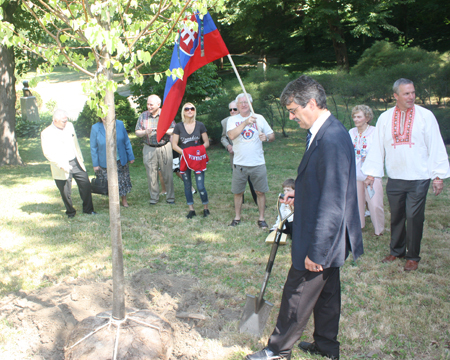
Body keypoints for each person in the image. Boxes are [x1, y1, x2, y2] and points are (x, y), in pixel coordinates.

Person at [246, 76, 363, 360]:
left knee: (297, 293)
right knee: (327, 295)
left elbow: (333, 201)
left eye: (293, 109)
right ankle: (326, 346)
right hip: (327, 235)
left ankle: (277, 350)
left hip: (322, 239)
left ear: (311, 103)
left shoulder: (332, 138)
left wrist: (317, 251)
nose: (291, 116)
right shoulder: (324, 132)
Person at [362, 78, 450, 272]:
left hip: (419, 176)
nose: (411, 97)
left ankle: (412, 256)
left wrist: (437, 176)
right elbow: (377, 147)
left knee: (414, 216)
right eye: (406, 93)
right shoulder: (385, 118)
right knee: (397, 216)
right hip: (395, 176)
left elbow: (435, 144)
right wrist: (371, 173)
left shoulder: (426, 116)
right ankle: (397, 251)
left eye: (413, 93)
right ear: (395, 96)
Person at [226, 93, 275, 229]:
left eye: (246, 102)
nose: (243, 105)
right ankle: (237, 217)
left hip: (257, 162)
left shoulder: (259, 118)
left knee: (260, 192)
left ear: (250, 104)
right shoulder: (232, 120)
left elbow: (272, 135)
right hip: (240, 164)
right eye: (240, 103)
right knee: (238, 192)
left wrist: (267, 137)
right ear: (237, 105)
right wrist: (245, 122)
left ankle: (261, 218)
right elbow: (231, 135)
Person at [41, 109, 96, 218]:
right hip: (61, 165)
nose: (65, 123)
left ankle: (88, 210)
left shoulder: (70, 126)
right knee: (65, 191)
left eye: (66, 120)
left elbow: (75, 143)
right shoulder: (46, 133)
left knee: (85, 184)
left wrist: (79, 157)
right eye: (63, 121)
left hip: (75, 162)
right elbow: (47, 152)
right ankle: (70, 212)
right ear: (55, 120)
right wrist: (61, 165)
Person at [349, 105, 385, 235]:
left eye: (359, 116)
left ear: (367, 118)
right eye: (354, 116)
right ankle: (359, 226)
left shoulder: (375, 132)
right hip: (355, 174)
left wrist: (370, 166)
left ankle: (379, 229)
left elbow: (380, 152)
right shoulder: (351, 132)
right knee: (357, 203)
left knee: (375, 204)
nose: (356, 119)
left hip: (371, 174)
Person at [172, 103, 210, 218]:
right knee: (187, 185)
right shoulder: (178, 126)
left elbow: (206, 142)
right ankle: (191, 209)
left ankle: (205, 208)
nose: (189, 110)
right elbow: (174, 145)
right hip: (184, 160)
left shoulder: (200, 125)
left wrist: (197, 151)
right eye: (187, 109)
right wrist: (185, 153)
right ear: (183, 112)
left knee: (200, 185)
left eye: (192, 108)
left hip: (197, 159)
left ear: (194, 111)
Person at [135, 94, 175, 205]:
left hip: (164, 147)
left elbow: (174, 130)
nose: (149, 106)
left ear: (158, 104)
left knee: (167, 174)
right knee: (151, 174)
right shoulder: (143, 116)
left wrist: (164, 130)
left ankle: (170, 198)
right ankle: (154, 198)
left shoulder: (166, 114)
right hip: (149, 148)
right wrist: (144, 132)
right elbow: (137, 132)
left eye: (151, 104)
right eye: (148, 104)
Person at [90, 117, 135, 207]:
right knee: (108, 182)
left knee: (122, 180)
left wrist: (131, 156)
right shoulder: (95, 128)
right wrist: (95, 164)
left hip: (120, 158)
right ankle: (113, 201)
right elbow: (93, 147)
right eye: (103, 115)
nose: (105, 117)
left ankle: (124, 200)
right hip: (105, 161)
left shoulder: (120, 124)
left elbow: (126, 141)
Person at [221, 100, 258, 205]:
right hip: (235, 156)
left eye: (234, 109)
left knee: (253, 178)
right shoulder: (225, 122)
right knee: (238, 178)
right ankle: (240, 201)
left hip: (250, 154)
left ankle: (257, 200)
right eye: (230, 110)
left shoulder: (250, 119)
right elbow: (223, 137)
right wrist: (228, 145)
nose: (232, 111)